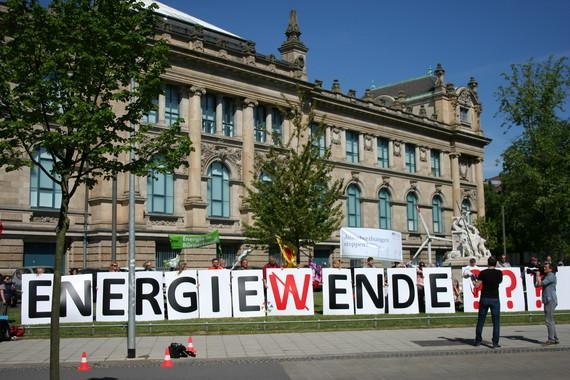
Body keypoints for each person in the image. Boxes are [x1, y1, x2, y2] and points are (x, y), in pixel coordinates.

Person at [474, 256, 503, 348]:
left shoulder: (483, 273)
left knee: (481, 320)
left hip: (484, 297)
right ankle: (495, 342)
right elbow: (499, 282)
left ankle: (478, 340)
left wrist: (474, 281)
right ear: (495, 263)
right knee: (496, 321)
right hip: (494, 298)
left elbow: (477, 285)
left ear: (488, 263)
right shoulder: (499, 273)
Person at [535, 262, 559, 344]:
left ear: (551, 269)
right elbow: (537, 285)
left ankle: (551, 339)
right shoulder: (546, 276)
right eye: (544, 267)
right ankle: (555, 338)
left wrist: (538, 275)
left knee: (548, 320)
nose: (544, 268)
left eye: (546, 267)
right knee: (550, 320)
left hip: (550, 300)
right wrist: (536, 276)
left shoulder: (551, 276)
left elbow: (541, 283)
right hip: (548, 299)